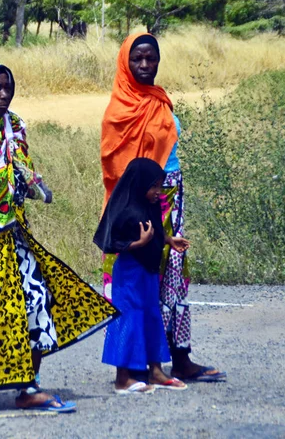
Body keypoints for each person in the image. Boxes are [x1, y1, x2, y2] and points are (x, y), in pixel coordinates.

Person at [0, 60, 118, 418]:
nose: (2, 95)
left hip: (12, 233)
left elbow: (20, 165)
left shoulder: (14, 125)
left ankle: (28, 387)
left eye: (7, 88)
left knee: (34, 301)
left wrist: (33, 184)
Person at [100, 33, 227, 382]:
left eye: (150, 58)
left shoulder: (160, 101)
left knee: (173, 279)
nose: (144, 66)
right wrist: (142, 211)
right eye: (137, 59)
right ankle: (133, 366)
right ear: (126, 62)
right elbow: (117, 172)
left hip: (172, 197)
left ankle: (179, 358)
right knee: (137, 281)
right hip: (138, 204)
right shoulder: (118, 110)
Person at [94, 158, 189, 393]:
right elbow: (111, 243)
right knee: (128, 319)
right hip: (130, 273)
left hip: (147, 271)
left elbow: (155, 228)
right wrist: (139, 242)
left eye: (159, 186)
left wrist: (168, 239)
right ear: (140, 183)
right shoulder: (125, 209)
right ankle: (122, 378)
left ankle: (155, 371)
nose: (158, 192)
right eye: (153, 186)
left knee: (151, 316)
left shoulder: (149, 205)